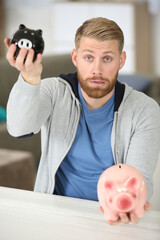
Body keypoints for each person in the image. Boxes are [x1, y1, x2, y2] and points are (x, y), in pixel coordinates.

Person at [4, 17, 160, 225]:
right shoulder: (54, 91)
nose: (97, 69)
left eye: (107, 59)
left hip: (111, 216)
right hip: (54, 212)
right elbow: (18, 129)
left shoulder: (145, 110)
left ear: (121, 60)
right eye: (88, 58)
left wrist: (131, 201)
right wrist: (29, 79)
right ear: (75, 58)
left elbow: (141, 178)